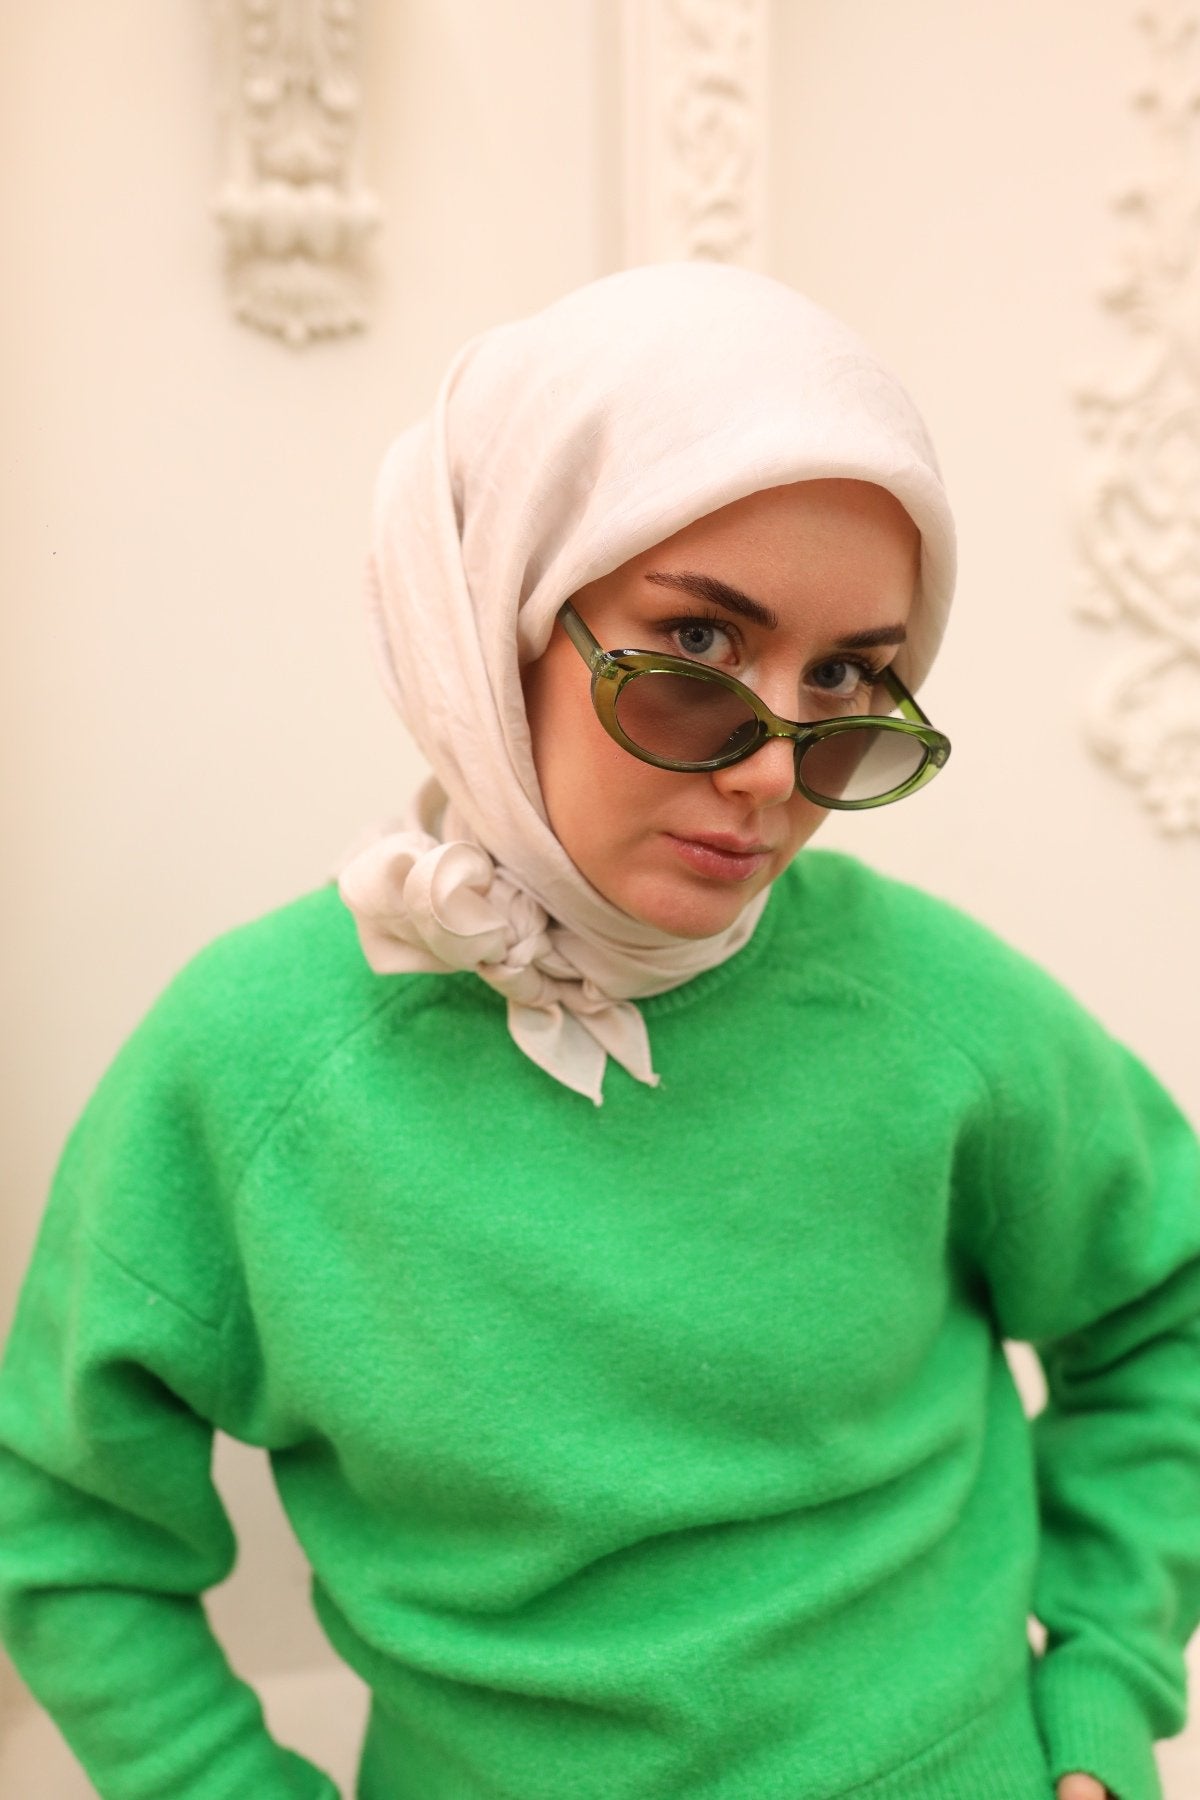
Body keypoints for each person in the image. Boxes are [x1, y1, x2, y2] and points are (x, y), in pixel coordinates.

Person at [0, 262, 1196, 1800]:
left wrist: (1102, 1694)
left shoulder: (933, 1010)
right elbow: (66, 1522)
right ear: (492, 621)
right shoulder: (255, 1067)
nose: (771, 773)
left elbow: (1169, 1306)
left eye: (847, 680)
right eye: (697, 649)